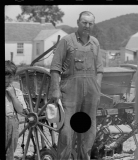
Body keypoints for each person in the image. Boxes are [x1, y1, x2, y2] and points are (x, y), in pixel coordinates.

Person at [50, 11, 103, 160]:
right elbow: (55, 67)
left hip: (91, 94)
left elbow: (100, 69)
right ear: (78, 22)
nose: (87, 26)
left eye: (90, 23)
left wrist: (97, 89)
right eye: (84, 22)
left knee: (89, 131)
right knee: (66, 132)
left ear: (93, 25)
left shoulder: (95, 43)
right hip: (70, 92)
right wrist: (55, 91)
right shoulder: (67, 41)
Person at [5, 60, 27, 160]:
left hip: (12, 122)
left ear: (13, 77)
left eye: (10, 77)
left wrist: (13, 96)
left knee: (11, 148)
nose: (7, 80)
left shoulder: (17, 92)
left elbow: (20, 110)